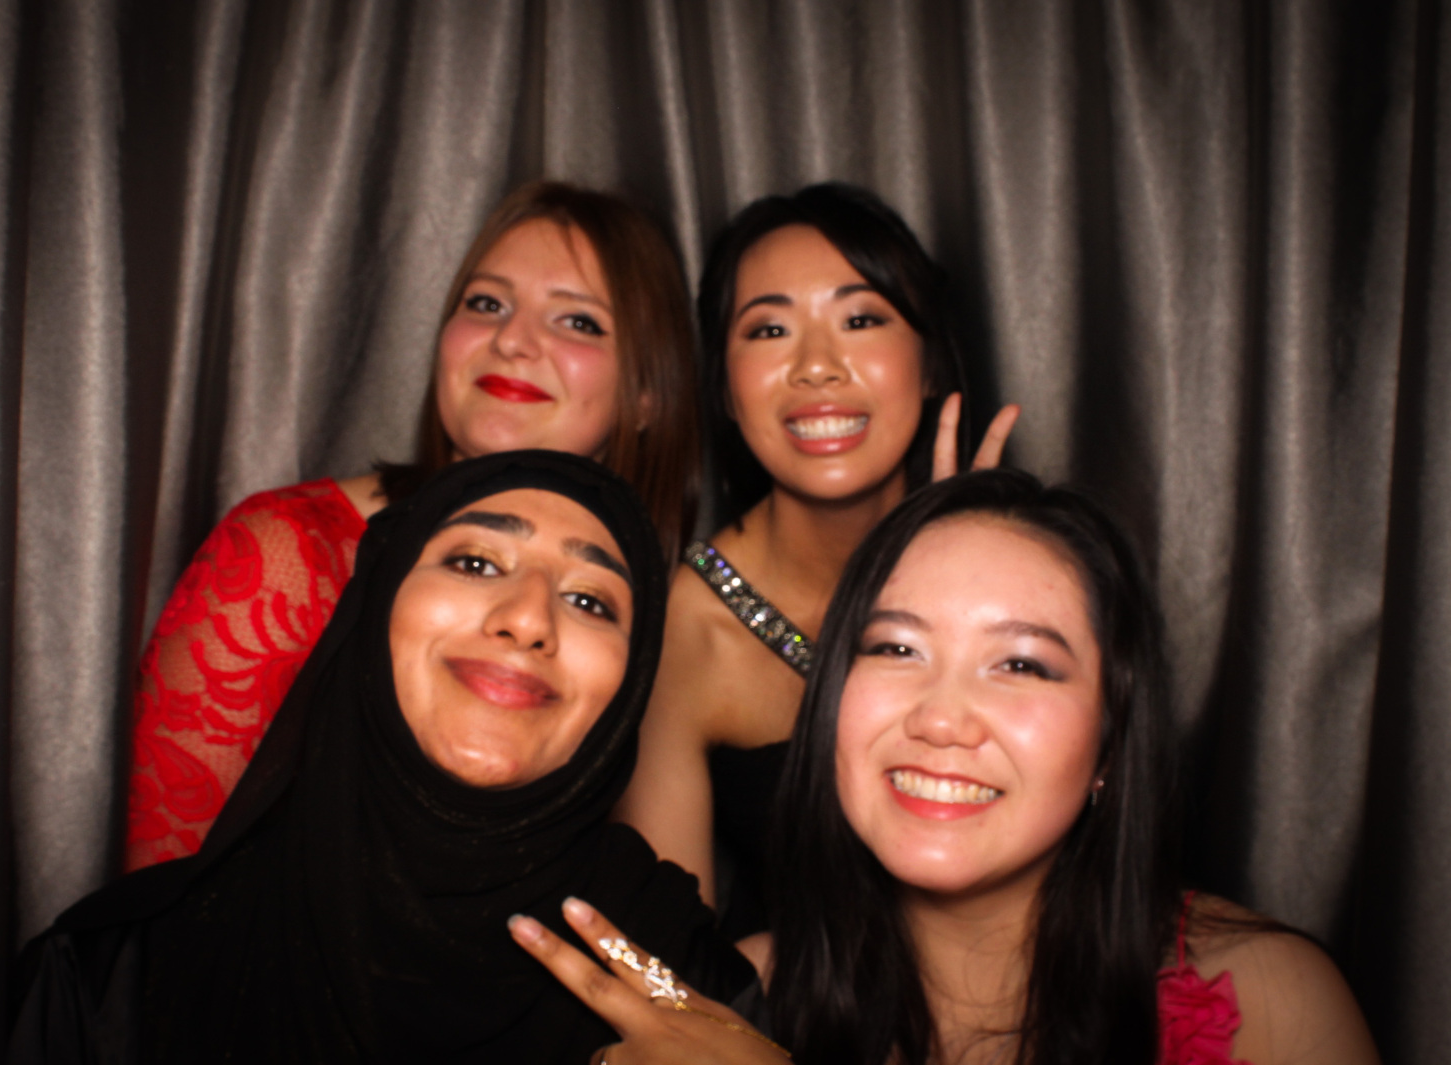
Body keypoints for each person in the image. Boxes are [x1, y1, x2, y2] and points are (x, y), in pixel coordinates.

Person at [519, 469, 1379, 1065]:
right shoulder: (734, 997)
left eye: (1021, 664)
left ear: (1112, 744)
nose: (939, 717)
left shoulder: (1273, 999)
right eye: (896, 648)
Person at [10, 451, 754, 1064]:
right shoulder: (110, 976)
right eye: (475, 562)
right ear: (374, 608)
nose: (528, 618)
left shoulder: (690, 995)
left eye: (591, 601)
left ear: (631, 685)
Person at [128, 181, 699, 869]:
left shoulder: (673, 609)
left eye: (577, 321)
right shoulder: (289, 551)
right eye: (486, 304)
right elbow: (163, 890)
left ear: (648, 394)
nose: (512, 341)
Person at [617, 183, 1017, 940]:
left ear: (930, 364)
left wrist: (974, 566)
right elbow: (668, 963)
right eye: (769, 330)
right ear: (724, 388)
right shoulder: (684, 629)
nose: (816, 366)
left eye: (861, 319)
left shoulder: (1030, 572)